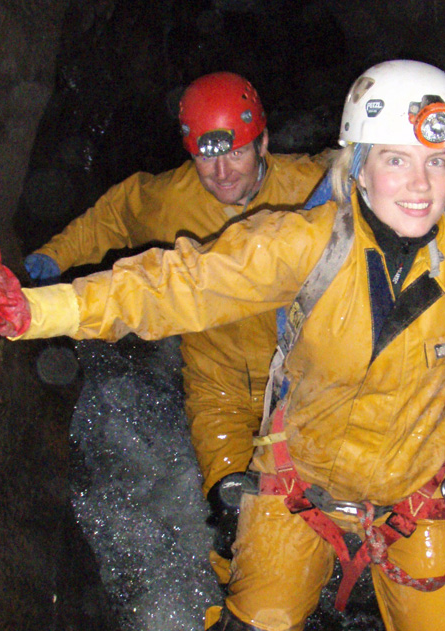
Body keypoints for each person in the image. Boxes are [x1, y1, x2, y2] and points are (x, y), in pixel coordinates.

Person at [0, 59, 445, 631]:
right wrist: (42, 309)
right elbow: (178, 284)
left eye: (435, 163)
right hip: (301, 487)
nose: (419, 185)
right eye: (396, 162)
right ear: (360, 166)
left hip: (412, 490)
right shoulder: (302, 242)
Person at [23, 71, 328, 579]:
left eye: (237, 153)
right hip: (221, 388)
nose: (223, 171)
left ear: (265, 144)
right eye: (207, 156)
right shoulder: (171, 201)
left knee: (329, 514)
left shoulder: (313, 189)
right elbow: (114, 217)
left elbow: (384, 187)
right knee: (237, 525)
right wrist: (54, 257)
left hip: (306, 383)